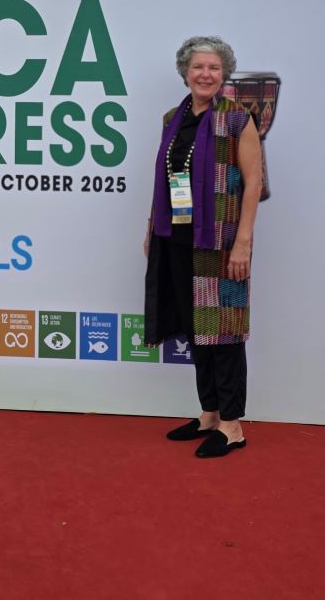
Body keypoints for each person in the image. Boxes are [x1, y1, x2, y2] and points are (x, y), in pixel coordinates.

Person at [144, 36, 261, 458]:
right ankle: (209, 413)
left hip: (221, 241)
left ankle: (232, 425)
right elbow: (168, 178)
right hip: (177, 239)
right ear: (185, 72)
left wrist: (243, 242)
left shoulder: (237, 118)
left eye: (213, 67)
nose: (205, 74)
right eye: (198, 67)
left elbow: (254, 182)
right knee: (198, 329)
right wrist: (152, 227)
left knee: (224, 331)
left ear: (223, 73)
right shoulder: (172, 118)